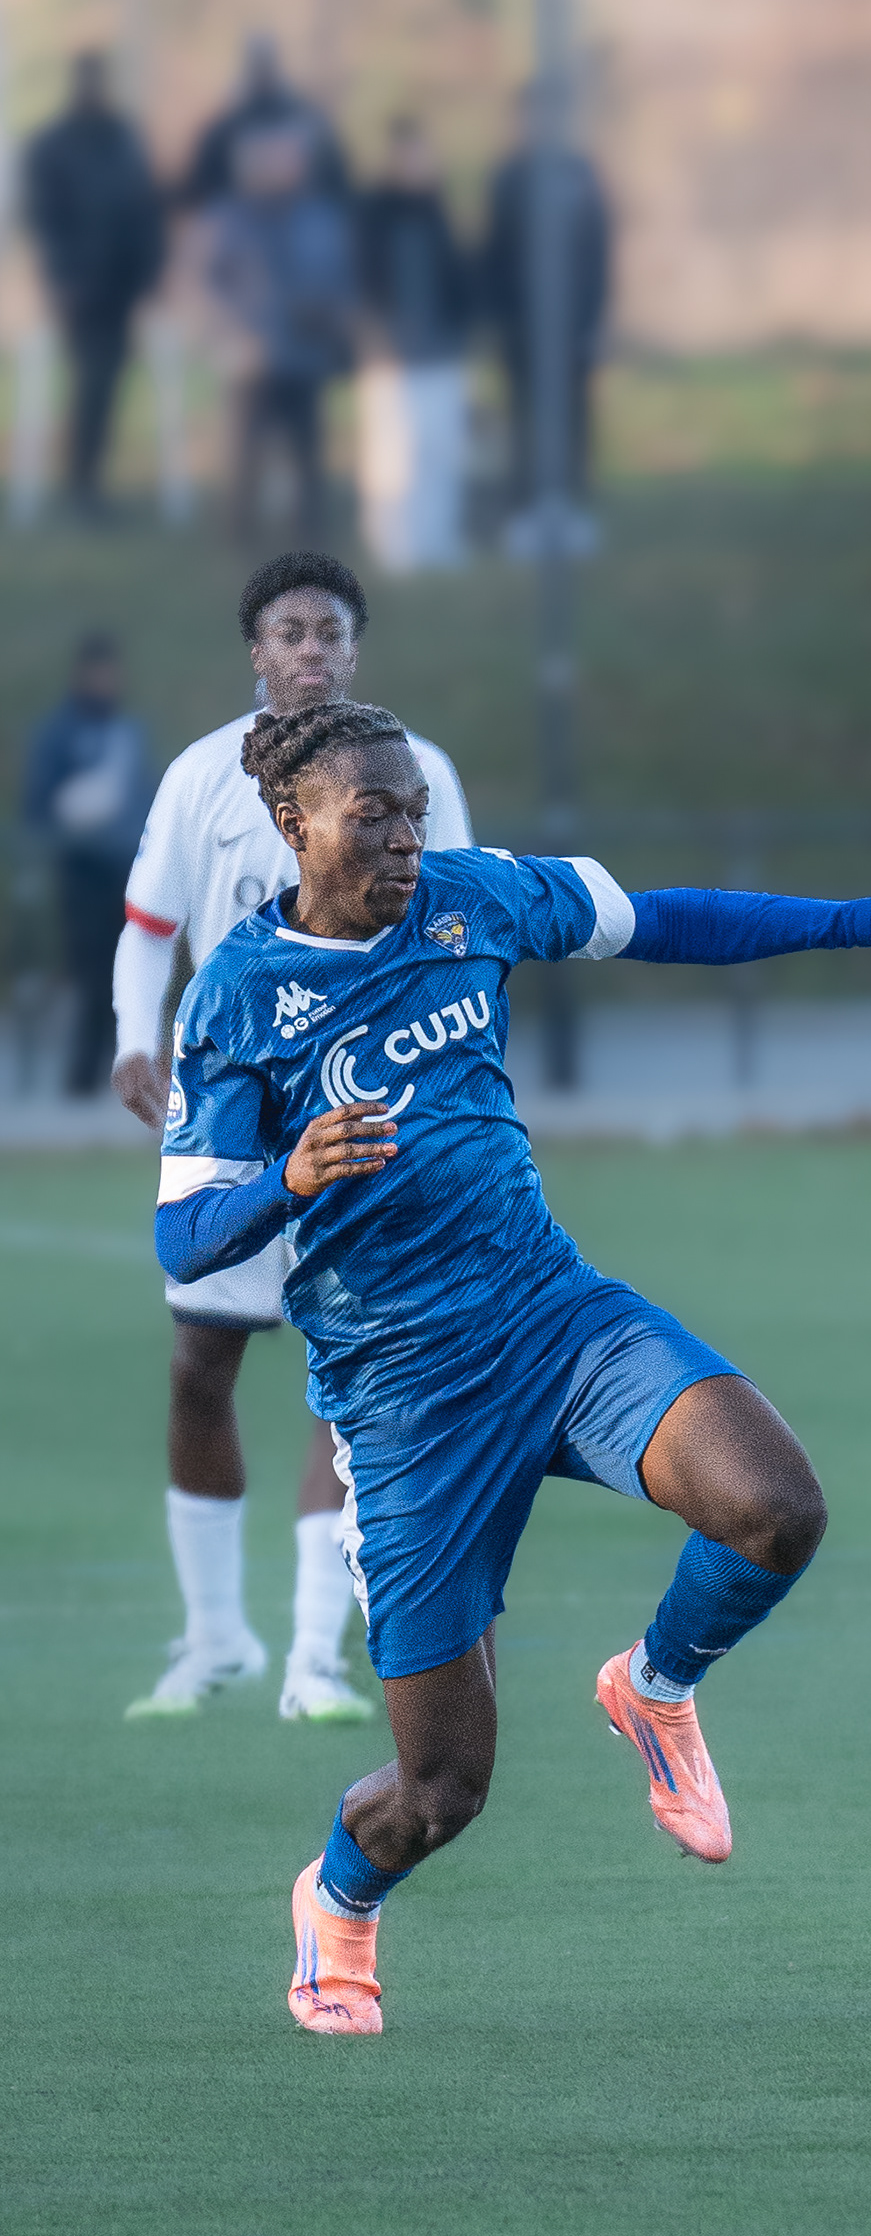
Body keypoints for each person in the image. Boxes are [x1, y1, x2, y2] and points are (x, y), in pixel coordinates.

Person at [153, 703, 871, 2033]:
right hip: (405, 1402)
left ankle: (655, 1686)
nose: (407, 839)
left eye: (416, 812)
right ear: (294, 822)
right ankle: (339, 1898)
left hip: (553, 1317)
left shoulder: (471, 901)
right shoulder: (240, 994)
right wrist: (284, 1177)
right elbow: (184, 1239)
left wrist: (859, 922)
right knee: (442, 1793)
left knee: (775, 1509)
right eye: (373, 814)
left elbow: (662, 920)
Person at [112, 550, 473, 1725]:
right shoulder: (199, 776)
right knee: (199, 1363)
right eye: (290, 632)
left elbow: (459, 926)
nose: (312, 650)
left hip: (368, 1104)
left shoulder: (417, 771)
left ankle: (316, 1656)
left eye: (331, 632)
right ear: (257, 651)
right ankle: (216, 1638)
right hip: (230, 1112)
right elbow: (148, 924)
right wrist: (132, 1038)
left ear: (355, 650)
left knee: (344, 1378)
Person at [21, 53, 166, 515]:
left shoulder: (122, 139)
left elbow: (145, 208)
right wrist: (60, 278)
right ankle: (81, 485)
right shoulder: (51, 145)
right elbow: (43, 218)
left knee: (107, 383)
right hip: (79, 287)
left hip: (119, 285)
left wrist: (149, 272)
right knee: (92, 381)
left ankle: (90, 481)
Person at [204, 122, 355, 541]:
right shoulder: (229, 220)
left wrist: (333, 317)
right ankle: (240, 533)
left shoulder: (320, 218)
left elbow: (341, 277)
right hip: (252, 355)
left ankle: (309, 530)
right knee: (246, 452)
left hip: (306, 351)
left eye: (294, 161)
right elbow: (208, 284)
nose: (290, 169)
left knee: (307, 448)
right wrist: (234, 332)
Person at [21, 633, 154, 1094]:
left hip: (126, 869)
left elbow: (144, 796)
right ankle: (81, 1077)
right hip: (80, 870)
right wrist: (69, 808)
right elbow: (36, 805)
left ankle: (121, 1070)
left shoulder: (128, 731)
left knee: (125, 967)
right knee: (89, 970)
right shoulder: (60, 732)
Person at [479, 90, 609, 555]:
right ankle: (524, 513)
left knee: (572, 421)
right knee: (523, 422)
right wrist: (498, 320)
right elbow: (493, 254)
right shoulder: (508, 178)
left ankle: (569, 509)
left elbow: (598, 250)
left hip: (573, 328)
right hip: (522, 330)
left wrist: (594, 320)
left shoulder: (581, 173)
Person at [354, 117, 471, 572]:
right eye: (408, 156)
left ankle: (438, 539)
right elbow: (363, 287)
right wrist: (379, 341)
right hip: (392, 358)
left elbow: (456, 281)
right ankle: (395, 545)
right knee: (395, 455)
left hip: (440, 354)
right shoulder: (372, 214)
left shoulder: (438, 212)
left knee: (440, 450)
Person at [177, 34, 347, 210]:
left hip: (300, 214)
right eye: (257, 65)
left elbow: (335, 181)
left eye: (265, 64)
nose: (262, 73)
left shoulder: (307, 119)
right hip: (240, 215)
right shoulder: (226, 127)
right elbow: (201, 184)